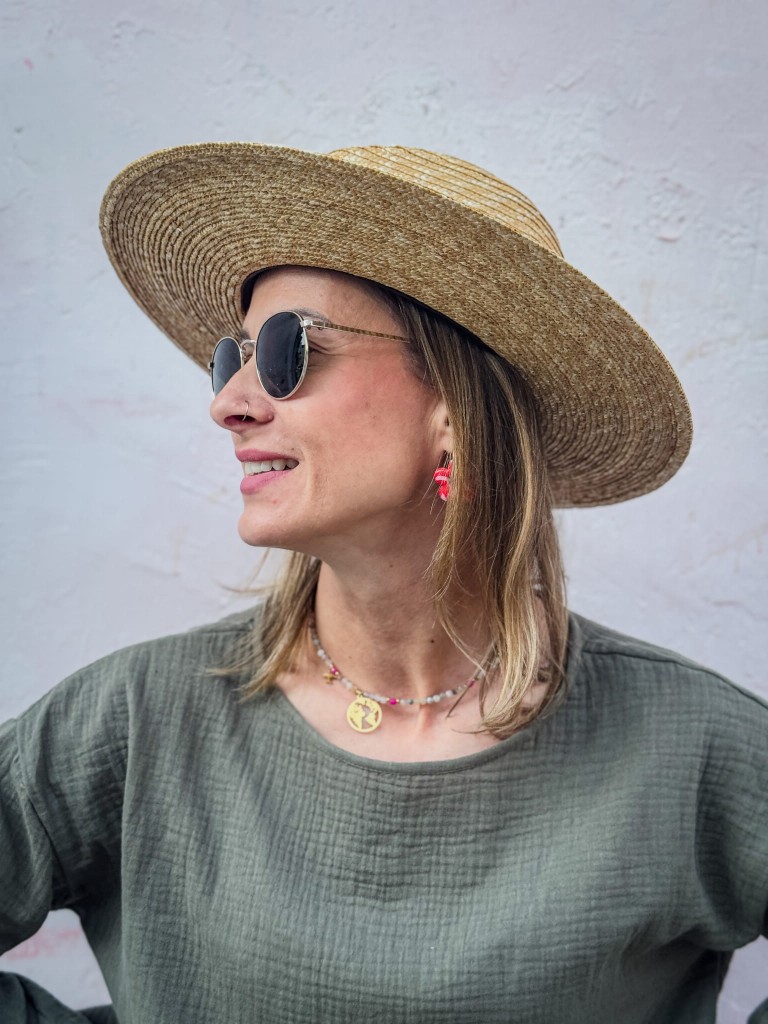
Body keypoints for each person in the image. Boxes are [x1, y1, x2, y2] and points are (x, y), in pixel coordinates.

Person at [1, 143, 765, 1023]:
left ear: (454, 412)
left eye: (286, 350)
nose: (228, 403)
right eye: (230, 358)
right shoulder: (134, 723)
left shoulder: (688, 746)